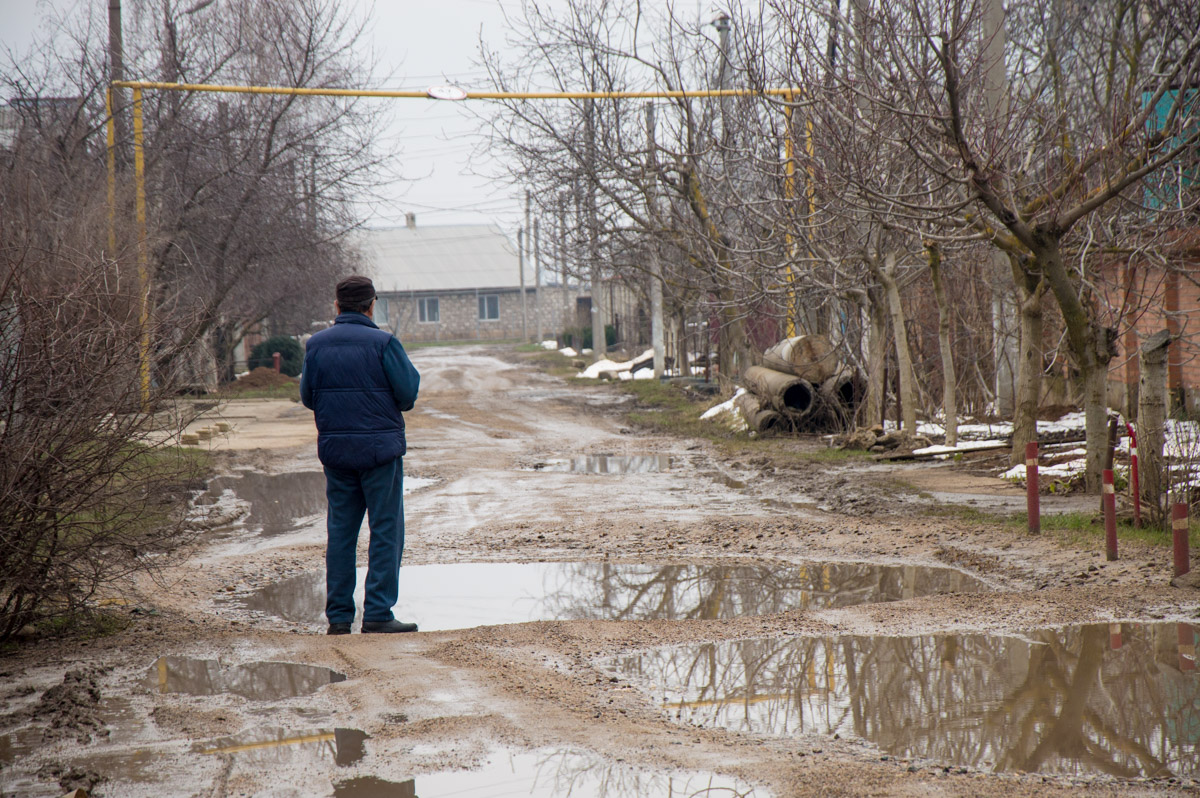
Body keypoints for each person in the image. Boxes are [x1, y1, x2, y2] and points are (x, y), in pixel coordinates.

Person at [300, 275, 421, 635]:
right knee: (385, 530)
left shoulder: (316, 346)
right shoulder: (384, 343)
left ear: (336, 307)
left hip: (336, 452)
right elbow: (408, 394)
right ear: (371, 306)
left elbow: (308, 397)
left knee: (340, 532)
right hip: (380, 454)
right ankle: (378, 613)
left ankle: (338, 617)